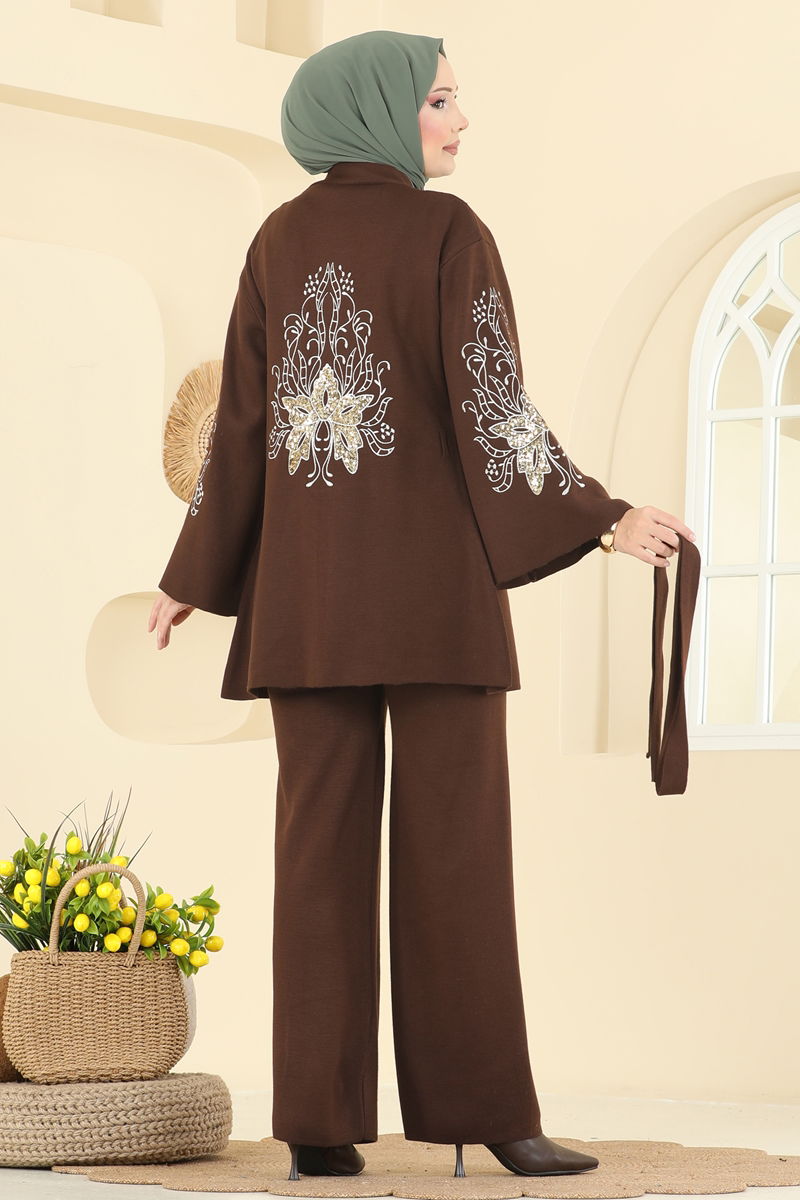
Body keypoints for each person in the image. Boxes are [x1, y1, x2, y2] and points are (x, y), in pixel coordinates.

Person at [147, 30, 699, 1181]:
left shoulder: (277, 239)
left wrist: (192, 573)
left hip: (307, 606)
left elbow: (239, 426)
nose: (457, 120)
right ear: (378, 108)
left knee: (314, 857)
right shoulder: (450, 233)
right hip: (436, 601)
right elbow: (491, 404)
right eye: (439, 99)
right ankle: (490, 1116)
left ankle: (317, 1126)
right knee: (457, 858)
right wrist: (602, 518)